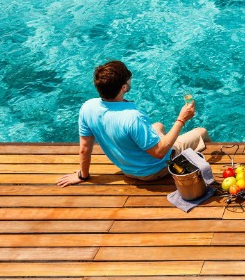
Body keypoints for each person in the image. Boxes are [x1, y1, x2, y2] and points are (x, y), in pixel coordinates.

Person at [57, 60, 211, 187]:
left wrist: (82, 176)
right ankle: (200, 155)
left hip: (128, 169)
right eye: (128, 79)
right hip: (153, 171)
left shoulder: (88, 107)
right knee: (201, 132)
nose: (130, 79)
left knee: (158, 126)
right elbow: (159, 153)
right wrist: (182, 119)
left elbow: (84, 149)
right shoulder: (132, 117)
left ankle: (165, 138)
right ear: (123, 87)